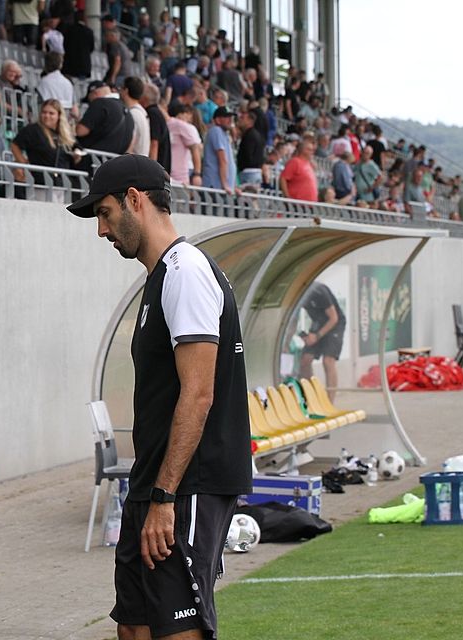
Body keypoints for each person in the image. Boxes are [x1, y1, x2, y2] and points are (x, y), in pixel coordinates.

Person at [66, 154, 252, 640]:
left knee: (177, 632)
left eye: (104, 214)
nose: (101, 231)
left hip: (186, 485)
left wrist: (166, 498)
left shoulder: (186, 271)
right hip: (152, 483)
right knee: (133, 628)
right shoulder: (161, 276)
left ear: (134, 200)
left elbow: (199, 393)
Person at [12, 99, 79, 201]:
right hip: (41, 182)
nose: (47, 116)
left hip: (62, 183)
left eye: (51, 113)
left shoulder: (65, 134)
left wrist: (77, 156)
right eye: (44, 112)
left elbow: (77, 150)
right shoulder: (33, 130)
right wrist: (23, 163)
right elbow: (14, 145)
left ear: (59, 115)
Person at [297, 282, 345, 401]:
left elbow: (333, 318)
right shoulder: (297, 293)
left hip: (335, 324)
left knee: (328, 361)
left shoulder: (318, 291)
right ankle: (311, 397)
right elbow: (291, 321)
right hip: (318, 322)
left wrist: (317, 336)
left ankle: (330, 401)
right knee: (305, 359)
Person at [76, 82, 134, 155]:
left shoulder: (100, 103)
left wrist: (76, 119)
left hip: (94, 158)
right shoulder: (126, 109)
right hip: (115, 160)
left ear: (95, 93)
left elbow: (80, 131)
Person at [167, 101, 203, 186]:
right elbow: (199, 147)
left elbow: (197, 147)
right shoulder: (187, 127)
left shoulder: (188, 128)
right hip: (186, 169)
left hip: (185, 169)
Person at [202, 106, 237, 193]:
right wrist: (225, 184)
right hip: (216, 186)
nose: (230, 120)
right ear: (217, 120)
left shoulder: (224, 134)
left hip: (223, 187)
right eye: (226, 117)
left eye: (230, 117)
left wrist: (234, 186)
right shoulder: (216, 131)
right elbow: (222, 160)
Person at [140, 83, 171, 173]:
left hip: (157, 168)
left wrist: (151, 169)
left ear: (145, 98)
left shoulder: (153, 113)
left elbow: (154, 143)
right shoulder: (157, 112)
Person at [38, 52, 78, 120]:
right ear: (60, 65)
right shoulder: (68, 83)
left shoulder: (43, 82)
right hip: (64, 119)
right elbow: (75, 111)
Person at [279, 132, 318, 201]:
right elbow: (283, 178)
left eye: (312, 150)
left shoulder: (309, 164)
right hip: (296, 204)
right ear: (302, 149)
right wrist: (287, 197)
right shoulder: (295, 162)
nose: (311, 152)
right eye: (309, 149)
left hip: (308, 204)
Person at [236, 107, 265, 189]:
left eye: (243, 118)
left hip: (248, 173)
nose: (240, 120)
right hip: (254, 173)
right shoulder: (255, 134)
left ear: (250, 121)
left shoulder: (250, 136)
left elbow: (248, 156)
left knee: (247, 200)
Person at [120, 76, 150, 157]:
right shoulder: (142, 112)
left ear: (126, 90)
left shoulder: (133, 114)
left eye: (121, 88)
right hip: (140, 160)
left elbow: (130, 142)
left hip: (133, 162)